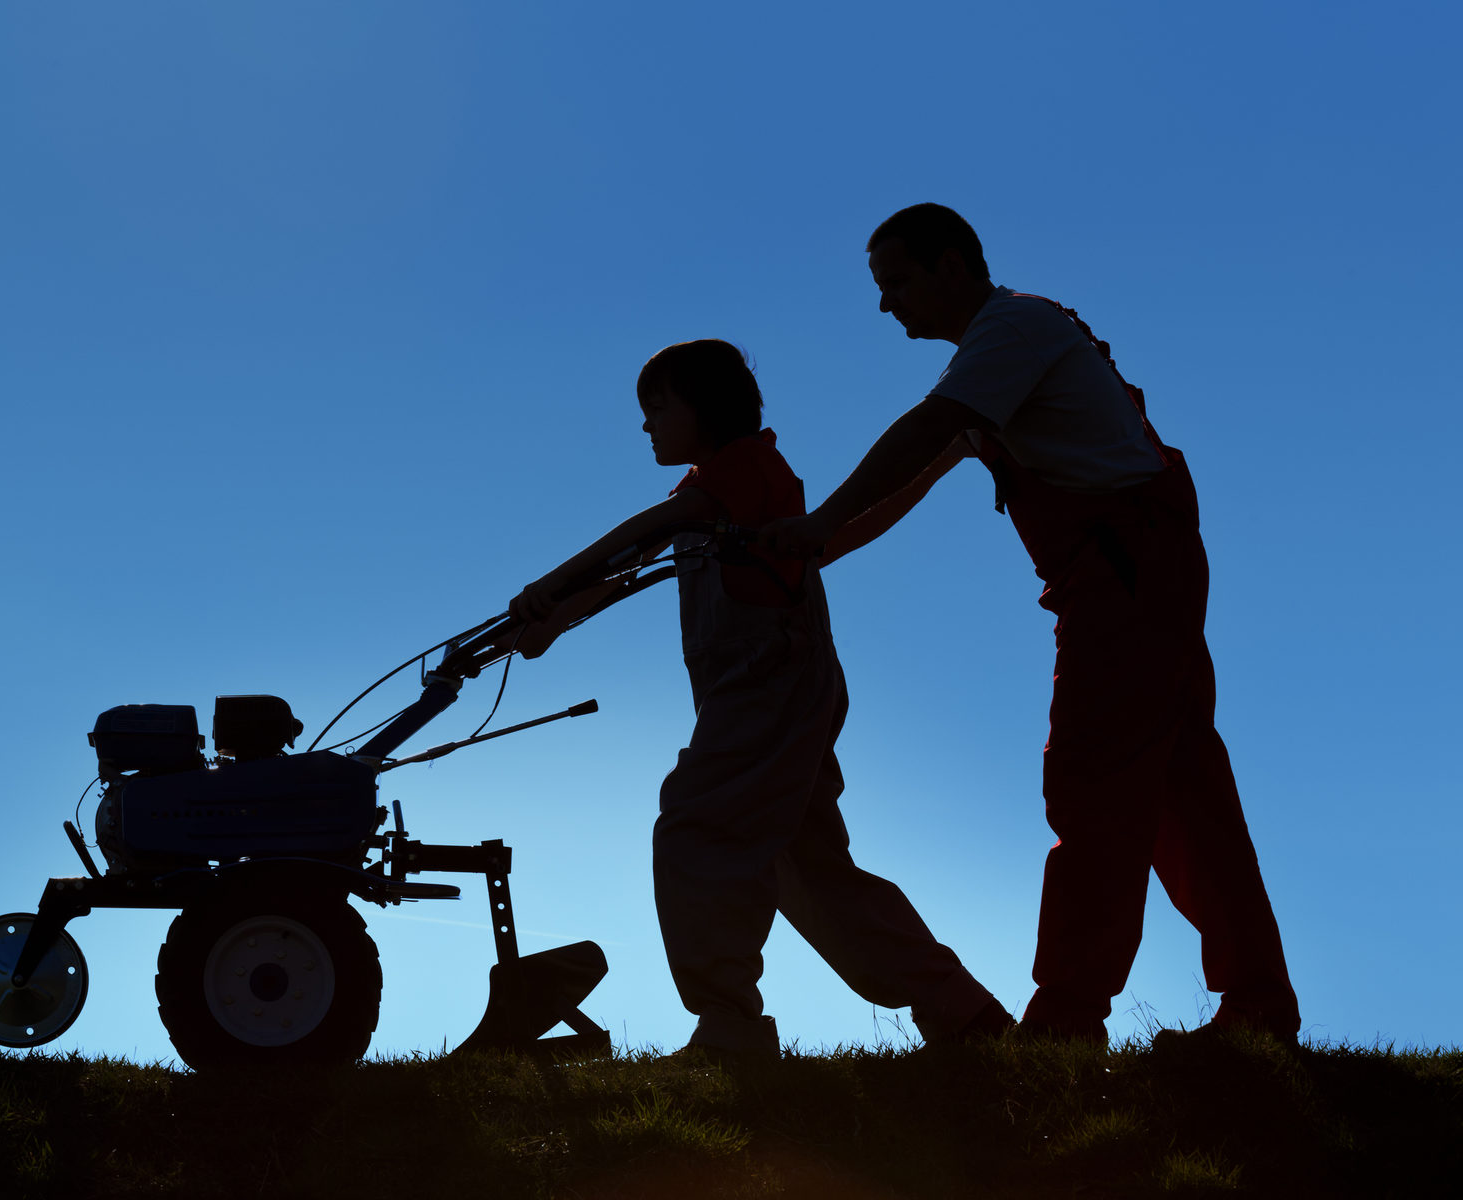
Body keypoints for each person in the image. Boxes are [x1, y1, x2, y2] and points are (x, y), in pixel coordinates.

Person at [762, 204, 1300, 1044]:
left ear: (951, 267)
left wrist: (816, 521)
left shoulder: (1011, 328)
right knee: (1183, 795)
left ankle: (1066, 1023)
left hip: (1123, 580)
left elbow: (925, 432)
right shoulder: (1000, 360)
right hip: (1139, 575)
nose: (884, 305)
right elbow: (914, 480)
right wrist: (813, 552)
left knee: (1090, 784)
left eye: (896, 282)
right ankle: (1257, 1007)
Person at [510, 338, 1009, 1060]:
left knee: (696, 826)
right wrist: (558, 618)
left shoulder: (745, 466)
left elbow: (648, 533)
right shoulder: (708, 497)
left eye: (658, 408)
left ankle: (730, 1022)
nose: (646, 425)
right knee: (809, 868)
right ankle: (960, 1011)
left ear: (706, 410)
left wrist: (553, 583)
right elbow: (635, 567)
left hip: (770, 684)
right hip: (765, 692)